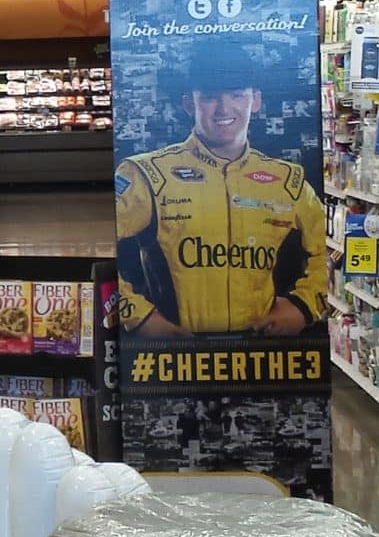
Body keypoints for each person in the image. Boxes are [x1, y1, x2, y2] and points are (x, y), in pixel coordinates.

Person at [116, 55, 325, 339]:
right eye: (210, 97)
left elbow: (330, 249)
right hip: (173, 357)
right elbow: (102, 250)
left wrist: (303, 306)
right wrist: (140, 319)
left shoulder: (289, 181)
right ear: (189, 103)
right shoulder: (146, 174)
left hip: (265, 355)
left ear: (256, 100)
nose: (224, 108)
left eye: (237, 94)